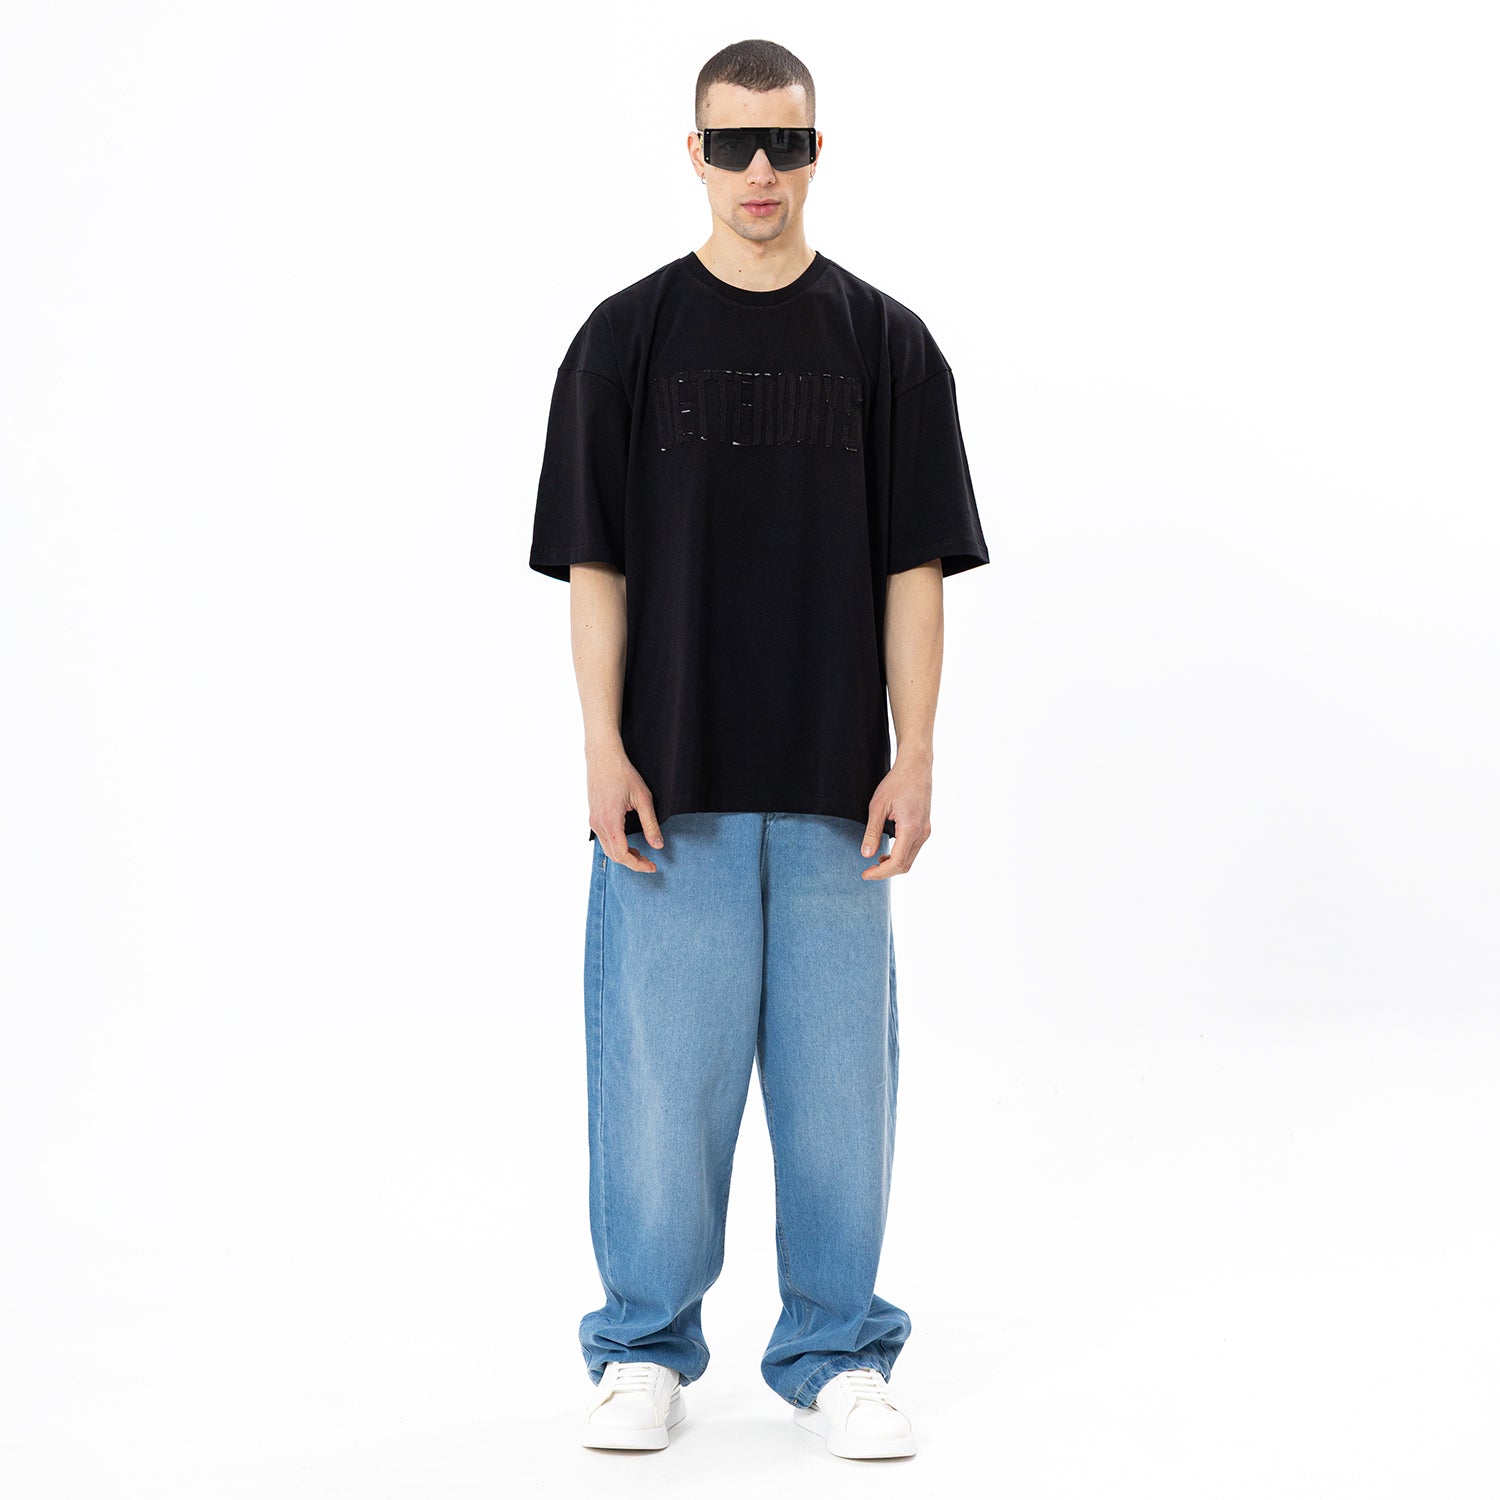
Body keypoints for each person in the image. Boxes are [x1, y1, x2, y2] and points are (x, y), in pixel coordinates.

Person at [529, 38, 989, 1461]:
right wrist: (600, 746)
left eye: (783, 143)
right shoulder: (625, 340)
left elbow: (915, 566)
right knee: (658, 1088)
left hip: (840, 788)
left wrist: (917, 754)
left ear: (816, 152)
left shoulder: (888, 346)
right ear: (695, 154)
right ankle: (642, 1349)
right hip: (670, 784)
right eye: (732, 144)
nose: (759, 172)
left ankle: (839, 1351)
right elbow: (594, 564)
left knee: (842, 1093)